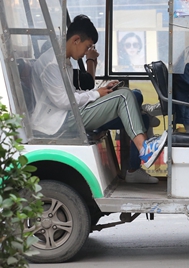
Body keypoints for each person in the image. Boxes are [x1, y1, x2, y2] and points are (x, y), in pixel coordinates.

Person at [31, 15, 167, 173]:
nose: (86, 52)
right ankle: (145, 148)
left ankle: (142, 146)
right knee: (125, 96)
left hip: (67, 115)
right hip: (59, 121)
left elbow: (70, 94)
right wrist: (95, 94)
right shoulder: (52, 64)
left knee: (125, 94)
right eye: (87, 46)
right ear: (76, 40)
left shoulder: (63, 61)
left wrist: (99, 92)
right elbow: (63, 101)